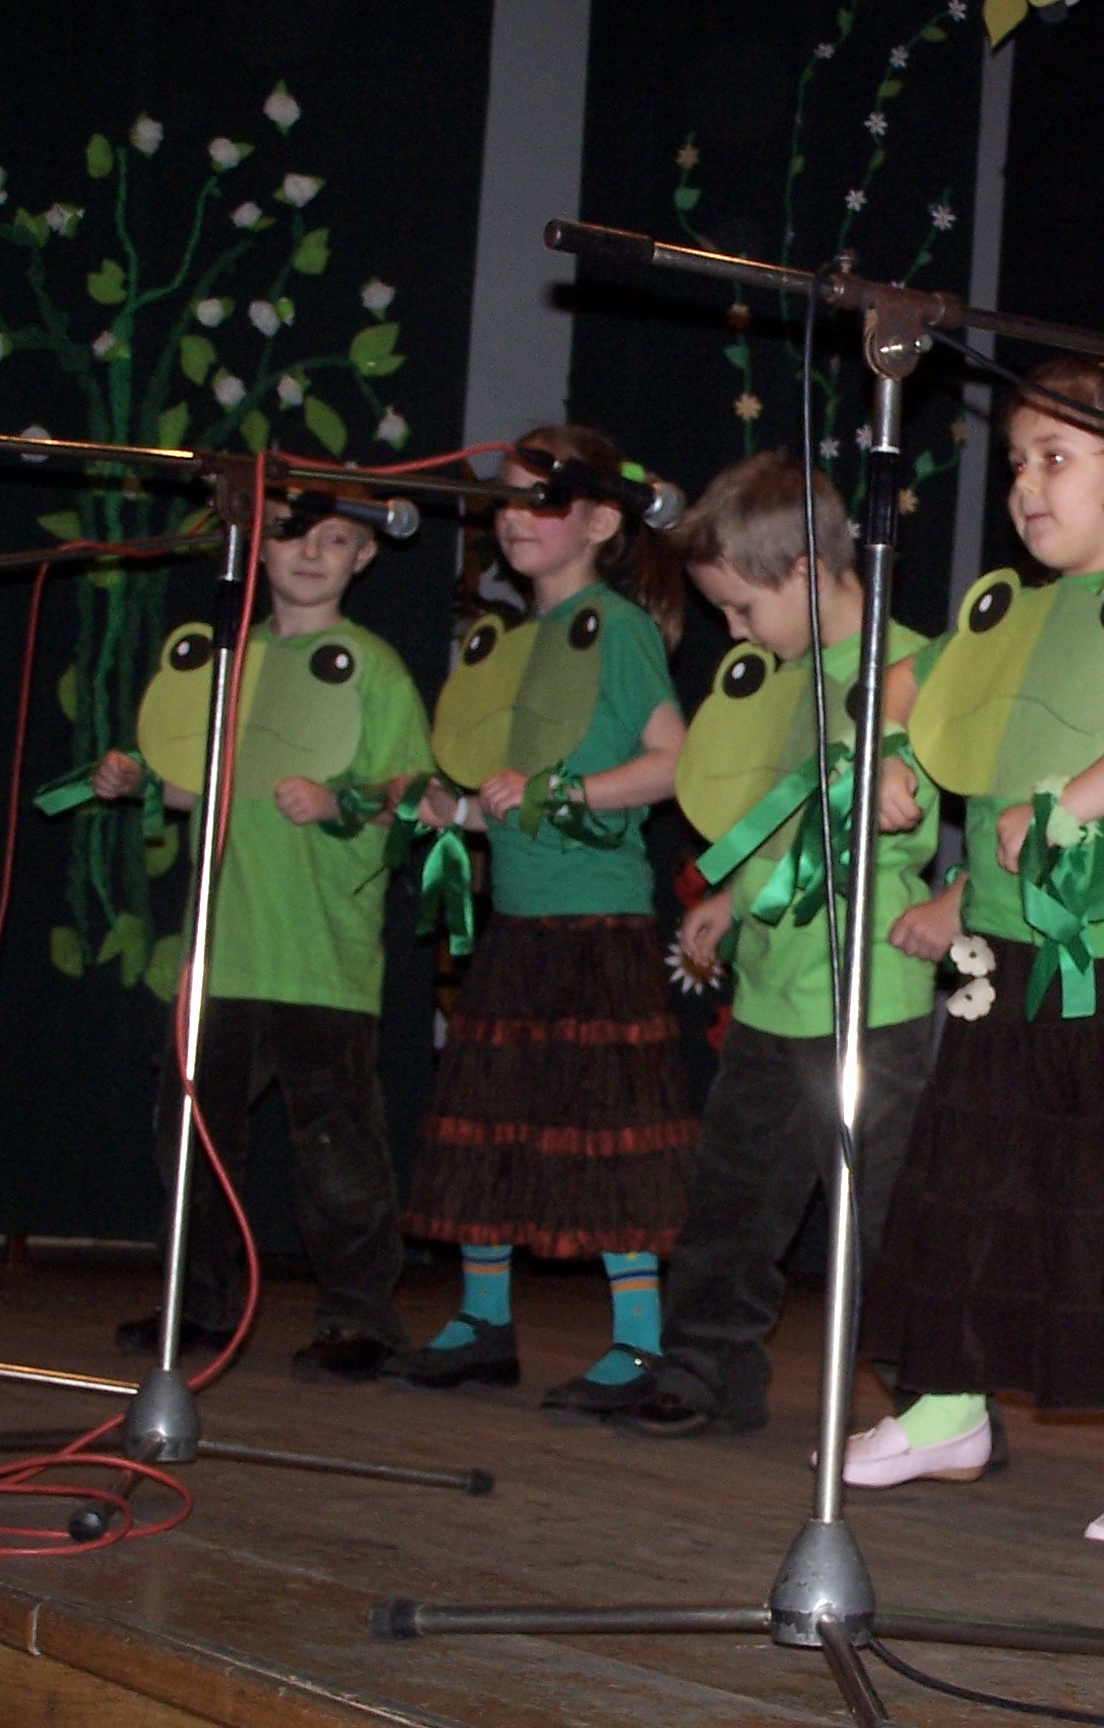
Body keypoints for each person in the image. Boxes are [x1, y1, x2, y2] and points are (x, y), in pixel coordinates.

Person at [852, 334, 1104, 1552]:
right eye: (1019, 461)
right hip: (999, 963)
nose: (1026, 485)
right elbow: (912, 690)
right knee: (967, 1187)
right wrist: (897, 758)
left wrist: (1073, 802)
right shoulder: (1009, 612)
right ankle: (946, 1411)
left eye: (1057, 458)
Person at [627, 450, 937, 1437]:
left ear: (806, 570)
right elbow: (778, 815)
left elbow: (923, 803)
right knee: (731, 1201)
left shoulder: (914, 668)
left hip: (870, 992)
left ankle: (938, 1402)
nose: (734, 632)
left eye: (741, 608)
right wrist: (731, 896)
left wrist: (905, 796)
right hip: (769, 988)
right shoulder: (780, 681)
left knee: (887, 1218)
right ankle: (706, 1368)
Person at [389, 425, 696, 1418]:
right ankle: (483, 1323)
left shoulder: (620, 627)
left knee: (609, 1131)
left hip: (596, 924)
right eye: (509, 499)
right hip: (518, 923)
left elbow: (674, 764)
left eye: (544, 499)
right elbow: (508, 798)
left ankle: (640, 1343)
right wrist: (454, 809)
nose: (518, 517)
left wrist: (566, 792)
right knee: (488, 1115)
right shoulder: (510, 643)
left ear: (602, 522)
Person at [98, 485, 430, 1383]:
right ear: (256, 544)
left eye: (336, 539)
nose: (311, 553)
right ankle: (200, 1303)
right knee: (192, 1138)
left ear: (367, 554)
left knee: (336, 1148)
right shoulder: (225, 660)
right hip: (222, 951)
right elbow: (204, 782)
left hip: (322, 953)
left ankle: (360, 1316)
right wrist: (142, 781)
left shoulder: (375, 668)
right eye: (291, 535)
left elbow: (416, 795)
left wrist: (340, 801)